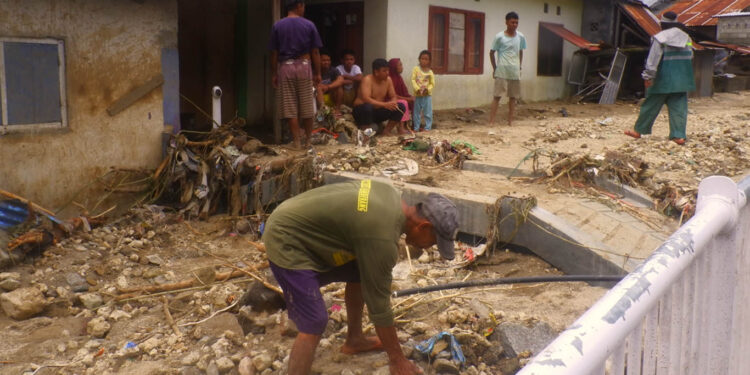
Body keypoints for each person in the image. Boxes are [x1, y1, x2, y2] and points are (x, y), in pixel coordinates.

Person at [263, 179, 459, 375]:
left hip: (293, 221)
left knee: (361, 268)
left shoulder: (391, 195)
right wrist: (398, 360)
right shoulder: (382, 237)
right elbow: (379, 304)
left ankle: (355, 340)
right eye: (434, 242)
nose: (429, 247)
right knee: (315, 320)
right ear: (423, 227)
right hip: (285, 238)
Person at [624, 11, 694, 145]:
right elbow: (690, 56)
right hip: (682, 79)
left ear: (662, 24)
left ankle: (639, 131)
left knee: (650, 105)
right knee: (679, 108)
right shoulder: (687, 38)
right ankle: (678, 136)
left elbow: (653, 60)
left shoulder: (660, 38)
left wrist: (648, 77)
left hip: (663, 79)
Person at [269, 0, 323, 148]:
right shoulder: (309, 25)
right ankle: (308, 141)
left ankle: (297, 142)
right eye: (303, 6)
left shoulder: (277, 25)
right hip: (304, 66)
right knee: (307, 105)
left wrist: (274, 73)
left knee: (290, 106)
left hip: (285, 67)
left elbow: (274, 53)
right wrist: (318, 73)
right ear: (299, 6)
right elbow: (315, 51)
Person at [352, 58, 408, 135]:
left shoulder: (388, 80)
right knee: (367, 107)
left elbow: (393, 96)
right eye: (384, 71)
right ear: (376, 72)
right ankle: (366, 133)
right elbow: (366, 99)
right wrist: (385, 105)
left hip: (377, 112)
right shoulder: (367, 79)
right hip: (362, 112)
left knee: (400, 106)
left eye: (388, 70)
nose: (387, 73)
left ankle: (386, 131)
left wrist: (393, 102)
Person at [489, 11, 526, 126]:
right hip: (502, 70)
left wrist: (519, 66)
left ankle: (510, 121)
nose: (514, 25)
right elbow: (491, 52)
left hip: (514, 71)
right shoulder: (499, 37)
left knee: (513, 97)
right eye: (512, 22)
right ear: (506, 22)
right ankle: (491, 121)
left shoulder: (521, 36)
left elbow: (520, 51)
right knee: (497, 96)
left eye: (516, 23)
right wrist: (495, 68)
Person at [411, 50, 435, 132]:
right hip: (417, 95)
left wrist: (427, 90)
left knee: (428, 112)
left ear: (429, 61)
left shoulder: (430, 72)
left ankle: (427, 128)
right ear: (419, 59)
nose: (424, 60)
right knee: (416, 112)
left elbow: (432, 83)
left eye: (426, 59)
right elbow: (413, 79)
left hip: (427, 96)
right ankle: (416, 128)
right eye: (422, 58)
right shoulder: (416, 69)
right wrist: (417, 89)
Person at [388, 58, 414, 124]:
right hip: (389, 100)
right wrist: (408, 99)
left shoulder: (399, 77)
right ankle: (402, 127)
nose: (402, 67)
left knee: (416, 101)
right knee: (404, 102)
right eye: (400, 65)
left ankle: (415, 124)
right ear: (394, 67)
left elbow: (405, 92)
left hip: (400, 98)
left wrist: (411, 98)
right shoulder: (389, 78)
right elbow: (392, 96)